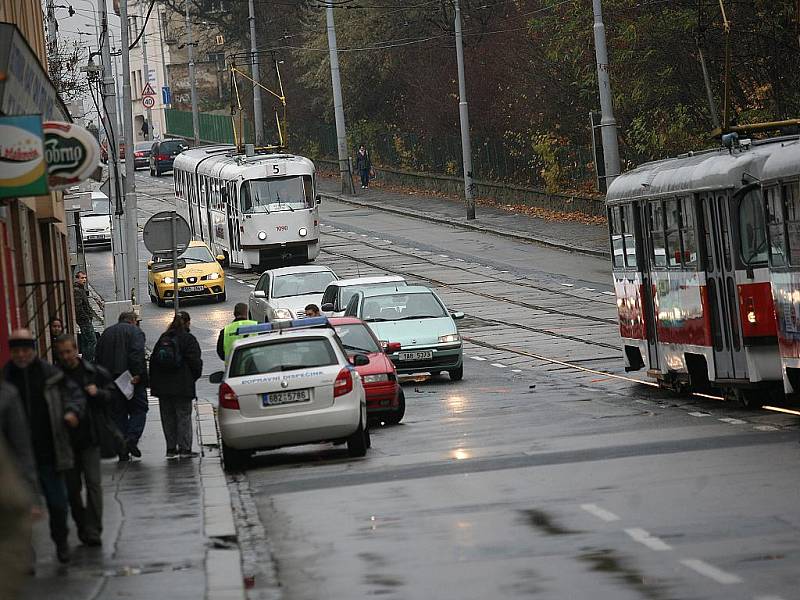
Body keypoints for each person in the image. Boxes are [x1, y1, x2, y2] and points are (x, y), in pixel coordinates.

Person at [2, 329, 84, 563]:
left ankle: (61, 542)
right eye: (16, 351)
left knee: (58, 503)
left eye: (25, 350)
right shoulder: (6, 378)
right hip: (17, 458)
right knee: (21, 509)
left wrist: (71, 412)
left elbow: (73, 395)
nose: (21, 355)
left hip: (50, 451)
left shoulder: (50, 374)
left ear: (33, 350)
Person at [54, 334, 115, 547]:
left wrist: (97, 392)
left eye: (69, 351)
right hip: (66, 442)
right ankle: (81, 524)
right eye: (61, 353)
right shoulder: (55, 378)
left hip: (90, 437)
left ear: (75, 350)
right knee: (72, 489)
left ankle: (93, 529)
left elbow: (111, 393)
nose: (66, 356)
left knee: (93, 485)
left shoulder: (92, 372)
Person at [95, 311, 148, 461]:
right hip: (131, 380)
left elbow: (97, 357)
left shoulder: (106, 333)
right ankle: (131, 440)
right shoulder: (135, 332)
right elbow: (137, 353)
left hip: (110, 381)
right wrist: (137, 373)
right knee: (140, 409)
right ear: (132, 321)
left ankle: (122, 449)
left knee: (118, 414)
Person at [149, 312, 203, 459]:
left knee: (168, 418)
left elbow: (153, 362)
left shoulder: (163, 338)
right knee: (183, 417)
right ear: (187, 323)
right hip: (182, 386)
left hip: (163, 388)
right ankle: (185, 449)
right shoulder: (188, 339)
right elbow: (196, 363)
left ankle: (171, 449)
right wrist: (191, 378)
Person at [73, 271, 98, 362]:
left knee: (86, 341)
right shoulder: (77, 290)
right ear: (77, 278)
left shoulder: (80, 289)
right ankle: (89, 360)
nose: (84, 280)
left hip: (85, 319)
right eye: (82, 278)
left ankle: (86, 360)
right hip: (84, 321)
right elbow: (78, 307)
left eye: (85, 278)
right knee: (92, 341)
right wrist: (86, 317)